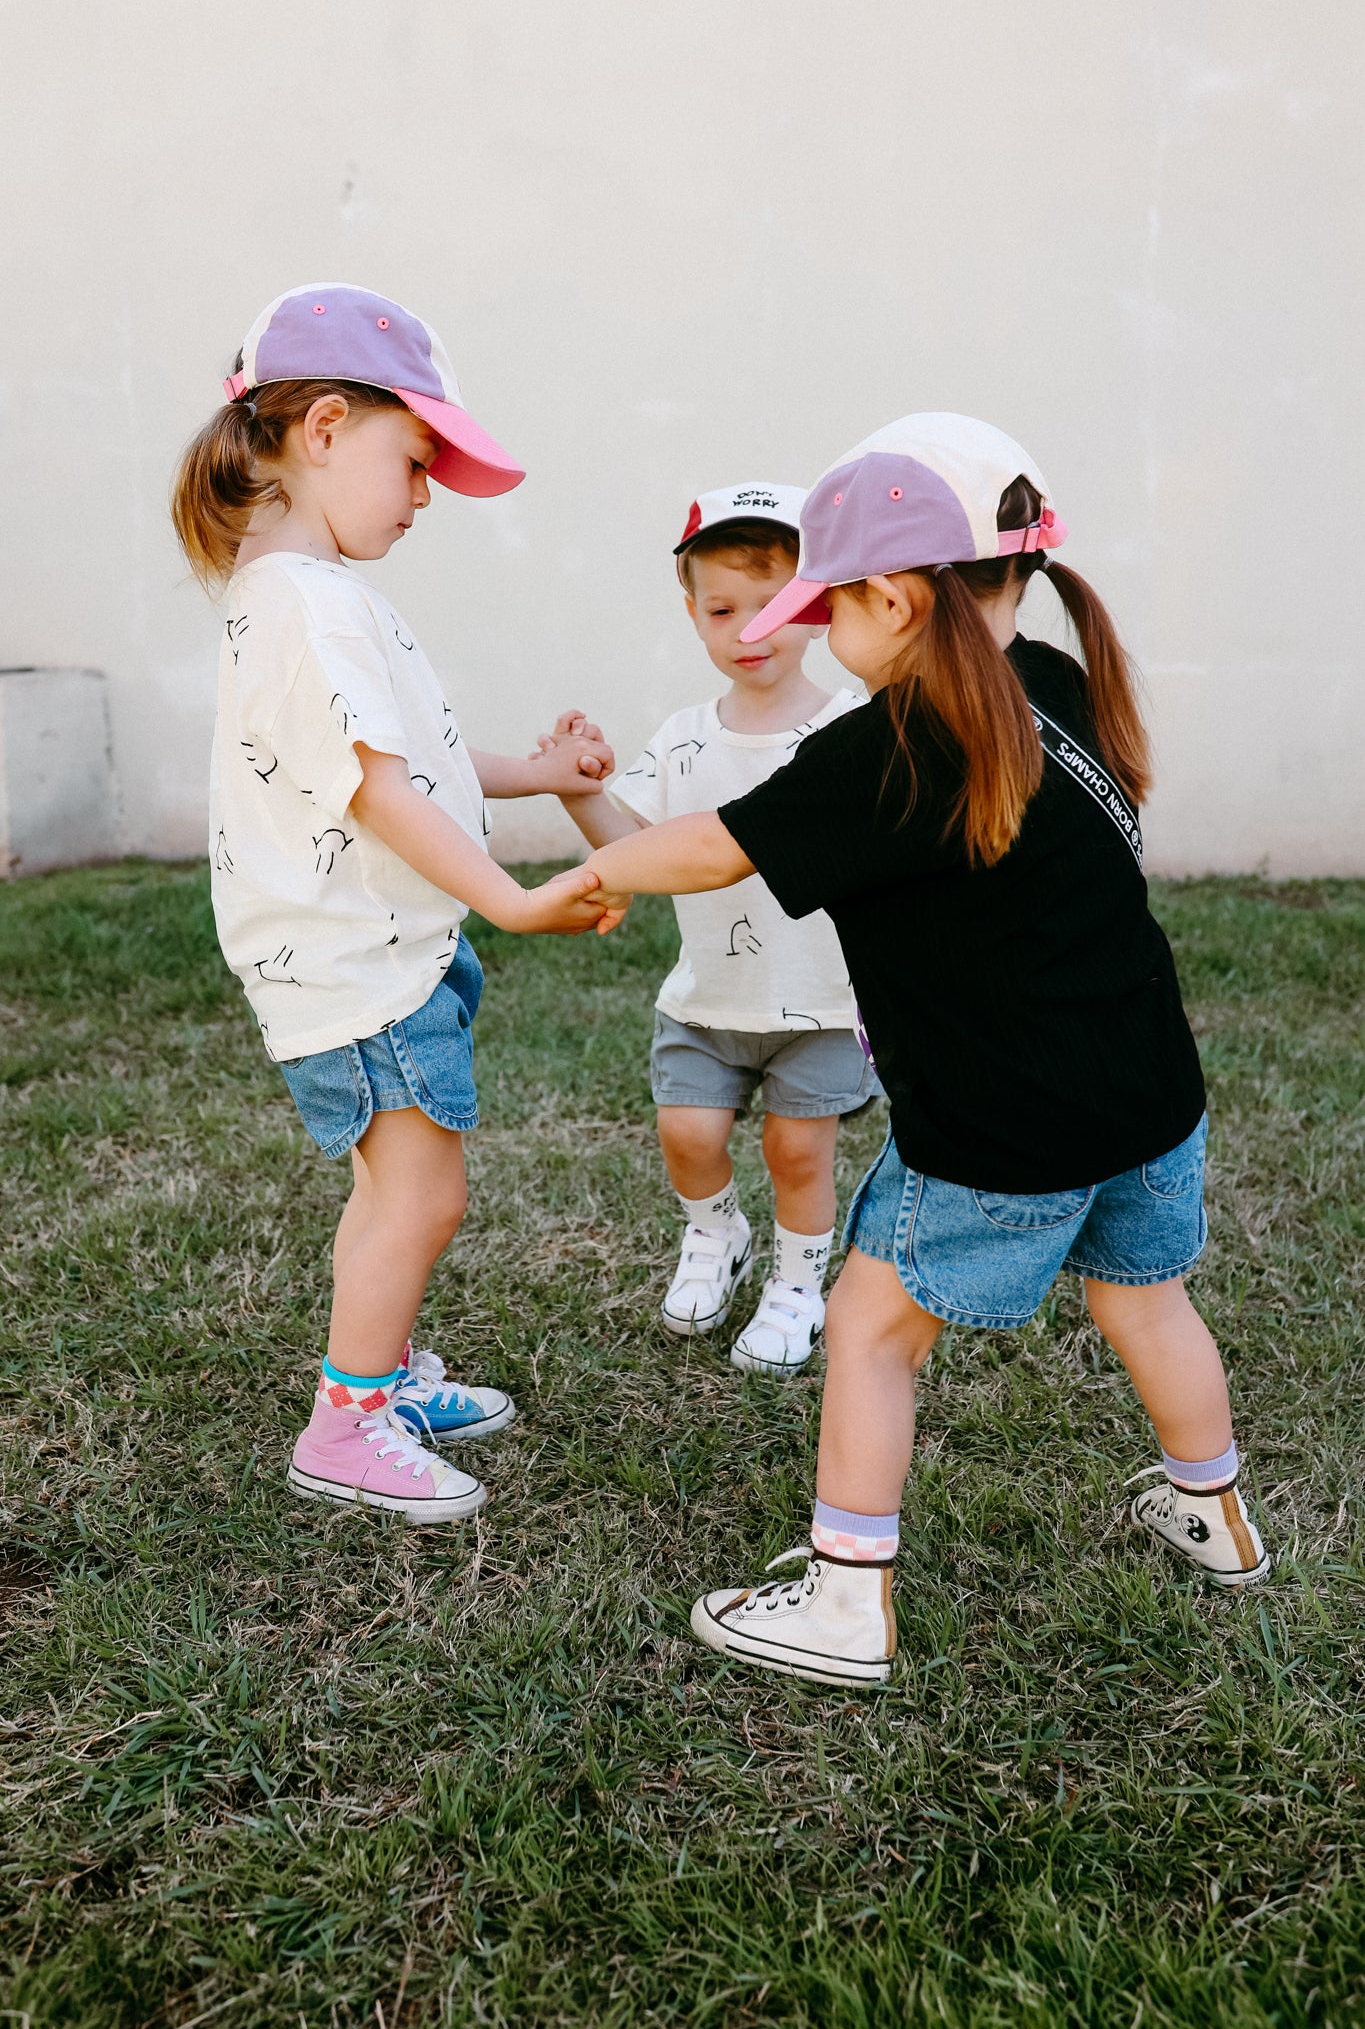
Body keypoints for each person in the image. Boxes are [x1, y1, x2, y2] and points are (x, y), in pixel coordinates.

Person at [575, 413, 1270, 1683]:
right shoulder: (1052, 685)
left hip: (998, 1135)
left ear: (893, 599)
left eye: (825, 606)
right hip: (1151, 1101)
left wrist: (580, 876)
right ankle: (1214, 1512)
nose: (815, 631)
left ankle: (845, 1604)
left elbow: (721, 842)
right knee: (1146, 1296)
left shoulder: (886, 748)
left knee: (871, 1331)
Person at [171, 283, 610, 1524]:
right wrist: (514, 902)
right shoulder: (307, 605)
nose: (423, 498)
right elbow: (373, 788)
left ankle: (378, 1378)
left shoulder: (303, 593)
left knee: (392, 1186)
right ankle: (349, 1422)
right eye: (413, 462)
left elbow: (412, 764)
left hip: (375, 952)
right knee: (419, 1191)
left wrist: (539, 772)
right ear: (320, 426)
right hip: (354, 961)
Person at [543, 483, 876, 1375]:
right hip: (708, 1001)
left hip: (819, 1002)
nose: (748, 630)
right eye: (723, 609)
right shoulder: (684, 737)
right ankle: (715, 1235)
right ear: (692, 616)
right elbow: (636, 846)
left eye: (773, 607)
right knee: (688, 1135)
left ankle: (799, 1284)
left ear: (818, 606)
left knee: (796, 1151)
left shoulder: (852, 729)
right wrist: (578, 788)